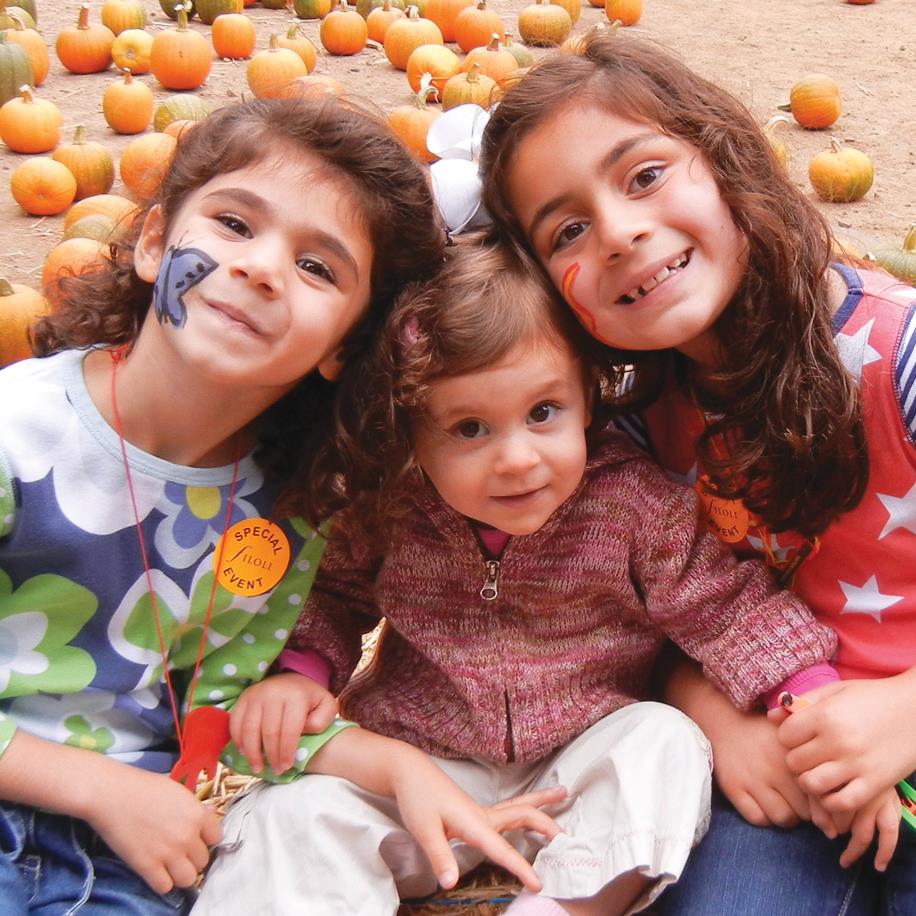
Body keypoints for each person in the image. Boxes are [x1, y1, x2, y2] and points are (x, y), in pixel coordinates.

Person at [0, 96, 558, 915]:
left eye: (318, 268)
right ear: (154, 242)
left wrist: (400, 770)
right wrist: (97, 788)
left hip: (132, 854)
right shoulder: (16, 432)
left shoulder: (289, 509)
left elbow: (234, 711)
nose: (262, 267)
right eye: (234, 224)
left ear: (343, 346)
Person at [195, 234, 838, 916]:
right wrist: (302, 671)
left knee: (665, 742)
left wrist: (808, 694)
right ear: (411, 432)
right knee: (292, 811)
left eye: (543, 413)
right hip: (423, 774)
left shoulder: (634, 505)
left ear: (587, 396)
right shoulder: (391, 506)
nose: (517, 459)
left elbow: (727, 608)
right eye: (470, 428)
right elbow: (332, 593)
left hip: (575, 775)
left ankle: (565, 907)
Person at [479, 32, 916, 913]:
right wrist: (709, 715)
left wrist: (906, 712)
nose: (619, 233)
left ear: (726, 160)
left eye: (644, 176)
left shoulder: (898, 354)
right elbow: (631, 624)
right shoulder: (629, 429)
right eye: (568, 230)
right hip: (775, 767)